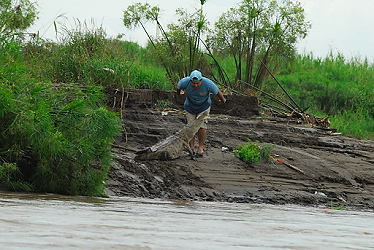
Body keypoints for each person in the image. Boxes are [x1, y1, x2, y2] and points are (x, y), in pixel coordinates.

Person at [177, 70, 226, 156]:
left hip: (204, 107)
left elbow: (217, 92)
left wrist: (223, 101)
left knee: (201, 126)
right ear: (190, 81)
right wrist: (180, 92)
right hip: (190, 106)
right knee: (191, 127)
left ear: (201, 81)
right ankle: (191, 148)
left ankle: (200, 147)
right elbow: (178, 88)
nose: (195, 85)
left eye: (197, 83)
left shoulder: (208, 83)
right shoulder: (184, 82)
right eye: (193, 83)